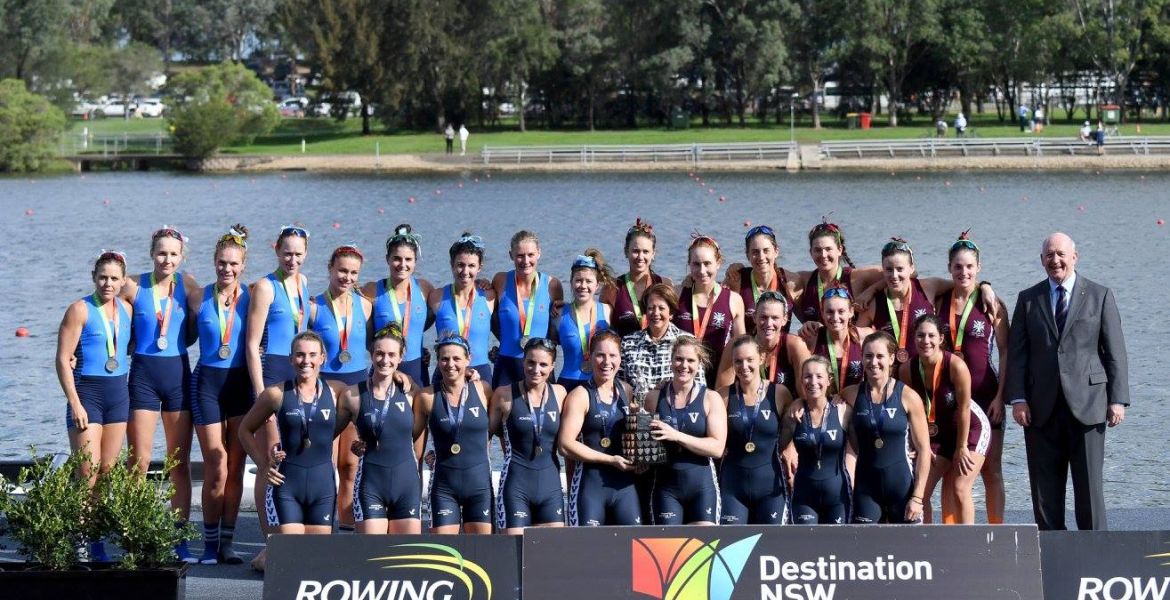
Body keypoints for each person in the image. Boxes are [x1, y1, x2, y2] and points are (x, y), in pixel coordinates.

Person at [1006, 232, 1128, 531]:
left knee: (1089, 489)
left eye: (1061, 254)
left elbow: (1115, 352)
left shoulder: (1100, 295)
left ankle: (1095, 552)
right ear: (1041, 260)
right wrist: (1018, 398)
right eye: (1049, 255)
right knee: (1045, 491)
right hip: (1040, 408)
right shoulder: (1027, 299)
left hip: (1089, 405)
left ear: (1075, 256)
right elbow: (1018, 355)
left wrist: (1117, 399)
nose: (1055, 260)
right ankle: (1050, 554)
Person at [119, 225, 200, 562]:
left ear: (181, 257)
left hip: (178, 376)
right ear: (152, 253)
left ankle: (178, 537)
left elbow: (216, 308)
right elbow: (107, 320)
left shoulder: (189, 284)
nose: (167, 259)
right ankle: (134, 535)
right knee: (137, 462)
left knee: (178, 464)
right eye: (161, 253)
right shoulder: (132, 285)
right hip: (143, 378)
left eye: (173, 254)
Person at [56, 250, 133, 562]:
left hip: (118, 396)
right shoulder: (79, 309)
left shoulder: (127, 308)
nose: (108, 283)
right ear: (94, 277)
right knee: (86, 473)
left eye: (114, 278)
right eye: (103, 277)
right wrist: (74, 403)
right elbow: (63, 360)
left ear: (123, 280)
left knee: (107, 472)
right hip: (87, 396)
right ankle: (81, 539)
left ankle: (97, 540)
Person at [240, 332, 356, 537]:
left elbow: (369, 402)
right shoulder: (275, 394)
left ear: (322, 358)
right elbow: (244, 431)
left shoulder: (337, 391)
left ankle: (267, 557)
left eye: (312, 355)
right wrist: (263, 465)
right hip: (287, 484)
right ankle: (266, 558)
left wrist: (404, 377)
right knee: (292, 556)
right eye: (300, 355)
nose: (306, 361)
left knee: (314, 560)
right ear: (291, 358)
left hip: (323, 487)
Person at [244, 224, 309, 571]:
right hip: (272, 380)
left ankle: (288, 537)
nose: (292, 259)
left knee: (292, 457)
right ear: (276, 250)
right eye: (287, 253)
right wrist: (260, 395)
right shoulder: (266, 287)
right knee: (270, 461)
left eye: (298, 254)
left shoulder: (303, 284)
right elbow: (253, 345)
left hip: (299, 380)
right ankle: (269, 545)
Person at [190, 226, 252, 564]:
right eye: (221, 263)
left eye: (233, 264)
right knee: (217, 463)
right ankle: (209, 545)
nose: (226, 269)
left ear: (243, 265)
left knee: (237, 467)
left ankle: (227, 544)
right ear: (214, 262)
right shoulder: (197, 297)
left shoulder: (254, 298)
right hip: (208, 385)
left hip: (241, 386)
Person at [937, 232, 1009, 523]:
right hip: (951, 399)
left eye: (969, 266)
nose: (963, 272)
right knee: (952, 469)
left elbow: (1005, 352)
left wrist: (1001, 397)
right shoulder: (939, 301)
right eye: (957, 267)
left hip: (986, 395)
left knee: (991, 470)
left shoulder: (992, 304)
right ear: (949, 268)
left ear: (978, 268)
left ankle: (996, 530)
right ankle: (950, 533)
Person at [900, 315, 990, 524]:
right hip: (937, 433)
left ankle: (968, 544)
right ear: (914, 338)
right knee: (920, 490)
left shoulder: (955, 365)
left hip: (971, 430)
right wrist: (919, 445)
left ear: (941, 338)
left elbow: (965, 408)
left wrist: (961, 448)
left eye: (931, 336)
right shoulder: (907, 369)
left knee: (960, 487)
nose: (926, 341)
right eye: (920, 335)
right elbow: (911, 413)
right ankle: (928, 541)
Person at [309, 244, 374, 533]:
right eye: (342, 271)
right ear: (330, 269)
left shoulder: (366, 306)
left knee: (350, 464)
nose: (346, 277)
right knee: (324, 463)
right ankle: (321, 527)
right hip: (325, 391)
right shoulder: (313, 307)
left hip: (357, 389)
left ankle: (347, 529)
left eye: (353, 273)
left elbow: (377, 347)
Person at [842, 332, 932, 524]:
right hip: (866, 488)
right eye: (868, 356)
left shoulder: (908, 396)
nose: (873, 362)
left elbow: (924, 450)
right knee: (865, 551)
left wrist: (917, 497)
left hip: (902, 487)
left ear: (891, 359)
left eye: (880, 356)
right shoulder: (849, 395)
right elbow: (823, 413)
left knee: (909, 551)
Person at [414, 333, 495, 534]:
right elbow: (411, 440)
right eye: (444, 358)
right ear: (437, 361)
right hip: (443, 487)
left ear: (468, 359)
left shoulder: (483, 390)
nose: (450, 364)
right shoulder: (426, 396)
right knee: (442, 556)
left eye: (457, 358)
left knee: (482, 554)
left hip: (480, 487)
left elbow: (498, 430)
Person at [644, 335, 727, 525]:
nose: (684, 365)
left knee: (705, 550)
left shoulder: (711, 398)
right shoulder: (653, 397)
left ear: (699, 364)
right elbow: (647, 450)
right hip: (665, 488)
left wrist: (676, 436)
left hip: (702, 487)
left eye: (690, 360)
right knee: (667, 552)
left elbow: (716, 448)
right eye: (679, 359)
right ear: (671, 361)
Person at [560, 330, 640, 526]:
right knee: (588, 553)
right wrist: (610, 460)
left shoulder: (627, 391)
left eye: (612, 355)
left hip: (624, 485)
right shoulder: (580, 395)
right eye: (600, 355)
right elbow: (565, 445)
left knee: (632, 551)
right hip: (590, 485)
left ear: (620, 359)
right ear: (590, 357)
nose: (607, 362)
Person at [350, 324, 423, 534]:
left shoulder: (412, 393)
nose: (385, 360)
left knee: (408, 558)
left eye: (392, 354)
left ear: (401, 357)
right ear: (371, 354)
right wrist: (355, 445)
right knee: (372, 557)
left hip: (406, 483)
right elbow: (325, 433)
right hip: (371, 484)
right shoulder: (352, 396)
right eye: (379, 353)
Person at [490, 338, 567, 533]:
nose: (536, 369)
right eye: (531, 362)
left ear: (552, 366)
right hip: (516, 485)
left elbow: (570, 438)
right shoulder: (504, 395)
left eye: (543, 364)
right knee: (512, 553)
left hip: (550, 486)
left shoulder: (560, 394)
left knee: (552, 555)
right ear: (523, 362)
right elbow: (482, 437)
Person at [719, 336, 792, 525]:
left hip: (771, 487)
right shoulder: (723, 396)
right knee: (731, 549)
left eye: (749, 360)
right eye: (738, 361)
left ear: (761, 358)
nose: (744, 366)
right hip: (733, 486)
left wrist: (790, 448)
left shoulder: (780, 393)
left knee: (774, 547)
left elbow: (795, 426)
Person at [780, 356, 854, 524]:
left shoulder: (843, 410)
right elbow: (774, 449)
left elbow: (863, 447)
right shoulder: (794, 414)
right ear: (801, 380)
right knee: (805, 549)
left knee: (837, 549)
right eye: (807, 376)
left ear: (829, 380)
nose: (813, 381)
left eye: (819, 376)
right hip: (804, 496)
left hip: (838, 497)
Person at [364, 224, 435, 388]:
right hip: (384, 367)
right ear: (387, 259)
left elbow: (436, 314)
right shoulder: (372, 290)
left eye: (408, 259)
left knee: (418, 413)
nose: (402, 264)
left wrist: (481, 283)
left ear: (415, 261)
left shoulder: (425, 289)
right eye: (396, 258)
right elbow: (364, 333)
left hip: (416, 367)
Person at [491, 230, 562, 388]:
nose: (525, 261)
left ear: (539, 253)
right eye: (520, 255)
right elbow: (490, 318)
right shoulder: (500, 280)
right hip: (506, 364)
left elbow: (554, 331)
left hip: (539, 365)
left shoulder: (552, 285)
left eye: (530, 254)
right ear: (511, 255)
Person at [674, 234, 745, 388]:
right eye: (696, 264)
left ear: (718, 263)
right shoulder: (677, 293)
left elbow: (742, 348)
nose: (702, 270)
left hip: (720, 381)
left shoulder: (734, 300)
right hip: (684, 378)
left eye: (707, 263)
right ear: (689, 265)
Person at [715, 291, 809, 400]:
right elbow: (721, 395)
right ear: (754, 317)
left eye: (775, 318)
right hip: (745, 410)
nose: (769, 324)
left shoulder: (795, 346)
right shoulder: (737, 344)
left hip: (784, 410)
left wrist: (797, 405)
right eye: (763, 317)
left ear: (784, 319)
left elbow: (806, 396)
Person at [856, 238, 936, 366]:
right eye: (889, 269)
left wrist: (981, 286)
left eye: (900, 269)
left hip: (925, 373)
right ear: (883, 269)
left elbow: (964, 284)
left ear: (911, 268)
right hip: (890, 376)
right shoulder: (873, 304)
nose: (894, 275)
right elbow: (855, 341)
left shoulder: (928, 287)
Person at [428, 233, 495, 383]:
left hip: (480, 372)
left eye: (471, 266)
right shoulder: (436, 297)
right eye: (460, 265)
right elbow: (415, 325)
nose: (465, 272)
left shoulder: (490, 296)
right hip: (446, 371)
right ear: (452, 265)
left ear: (479, 267)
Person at [791, 220, 882, 326]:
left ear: (839, 250)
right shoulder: (803, 280)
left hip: (852, 341)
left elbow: (901, 273)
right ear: (810, 252)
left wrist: (871, 290)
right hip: (818, 342)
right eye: (817, 250)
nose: (823, 255)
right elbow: (775, 276)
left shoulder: (856, 278)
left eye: (828, 249)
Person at [618, 283, 694, 405]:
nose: (655, 313)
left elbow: (699, 388)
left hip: (674, 415)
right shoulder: (628, 342)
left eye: (661, 308)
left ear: (671, 312)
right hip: (639, 415)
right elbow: (619, 383)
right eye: (651, 308)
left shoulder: (688, 342)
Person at [721, 224, 798, 336]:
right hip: (747, 350)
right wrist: (690, 280)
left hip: (779, 351)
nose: (761, 257)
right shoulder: (736, 279)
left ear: (776, 251)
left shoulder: (791, 282)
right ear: (747, 255)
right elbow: (709, 292)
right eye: (755, 252)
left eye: (766, 251)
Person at [552, 251, 613, 391]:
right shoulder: (559, 313)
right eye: (578, 280)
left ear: (597, 285)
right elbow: (547, 351)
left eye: (589, 281)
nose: (583, 286)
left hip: (599, 383)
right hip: (567, 383)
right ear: (571, 282)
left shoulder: (608, 311)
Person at [602, 218, 672, 337]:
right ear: (626, 251)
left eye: (645, 251)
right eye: (635, 251)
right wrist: (566, 307)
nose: (640, 257)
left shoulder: (665, 284)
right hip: (624, 353)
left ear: (653, 254)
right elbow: (597, 322)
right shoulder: (612, 287)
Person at [807, 286, 874, 394]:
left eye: (841, 311)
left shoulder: (865, 337)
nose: (835, 317)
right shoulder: (812, 338)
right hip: (825, 405)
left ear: (851, 311)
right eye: (830, 312)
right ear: (822, 313)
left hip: (855, 404)